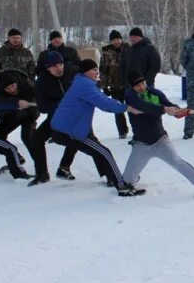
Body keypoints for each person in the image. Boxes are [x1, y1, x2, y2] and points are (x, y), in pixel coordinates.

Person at [50, 59, 144, 197]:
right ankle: (122, 186)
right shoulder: (84, 85)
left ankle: (113, 179)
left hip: (73, 127)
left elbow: (102, 98)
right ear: (85, 72)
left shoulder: (85, 83)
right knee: (104, 152)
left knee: (99, 150)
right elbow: (103, 103)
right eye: (93, 70)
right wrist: (126, 107)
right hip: (68, 130)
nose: (96, 72)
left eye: (97, 69)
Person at [123, 71, 194, 199]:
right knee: (126, 181)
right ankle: (133, 177)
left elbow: (169, 105)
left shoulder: (155, 93)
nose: (142, 87)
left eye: (143, 83)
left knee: (177, 161)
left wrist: (177, 111)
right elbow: (143, 106)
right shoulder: (130, 95)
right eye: (137, 85)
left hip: (160, 140)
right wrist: (164, 109)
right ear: (132, 87)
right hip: (141, 144)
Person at [28, 51, 79, 186]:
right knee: (37, 138)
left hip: (76, 115)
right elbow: (43, 107)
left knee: (82, 139)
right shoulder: (42, 82)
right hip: (55, 116)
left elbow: (89, 79)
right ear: (47, 68)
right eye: (54, 66)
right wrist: (61, 105)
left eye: (60, 64)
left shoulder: (72, 72)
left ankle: (64, 167)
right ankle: (42, 174)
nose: (58, 68)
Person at [0, 69, 39, 168]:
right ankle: (15, 157)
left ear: (16, 83)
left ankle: (40, 165)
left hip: (29, 114)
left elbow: (37, 104)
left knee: (27, 137)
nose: (11, 90)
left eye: (12, 86)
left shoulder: (26, 84)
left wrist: (26, 110)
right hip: (12, 114)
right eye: (7, 88)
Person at [99, 29, 130, 139]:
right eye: (114, 40)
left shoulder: (128, 49)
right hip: (114, 85)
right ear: (111, 41)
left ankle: (138, 129)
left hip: (129, 84)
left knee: (132, 107)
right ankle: (122, 131)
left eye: (118, 39)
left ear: (121, 39)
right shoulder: (106, 52)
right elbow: (103, 70)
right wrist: (104, 86)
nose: (116, 42)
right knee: (118, 109)